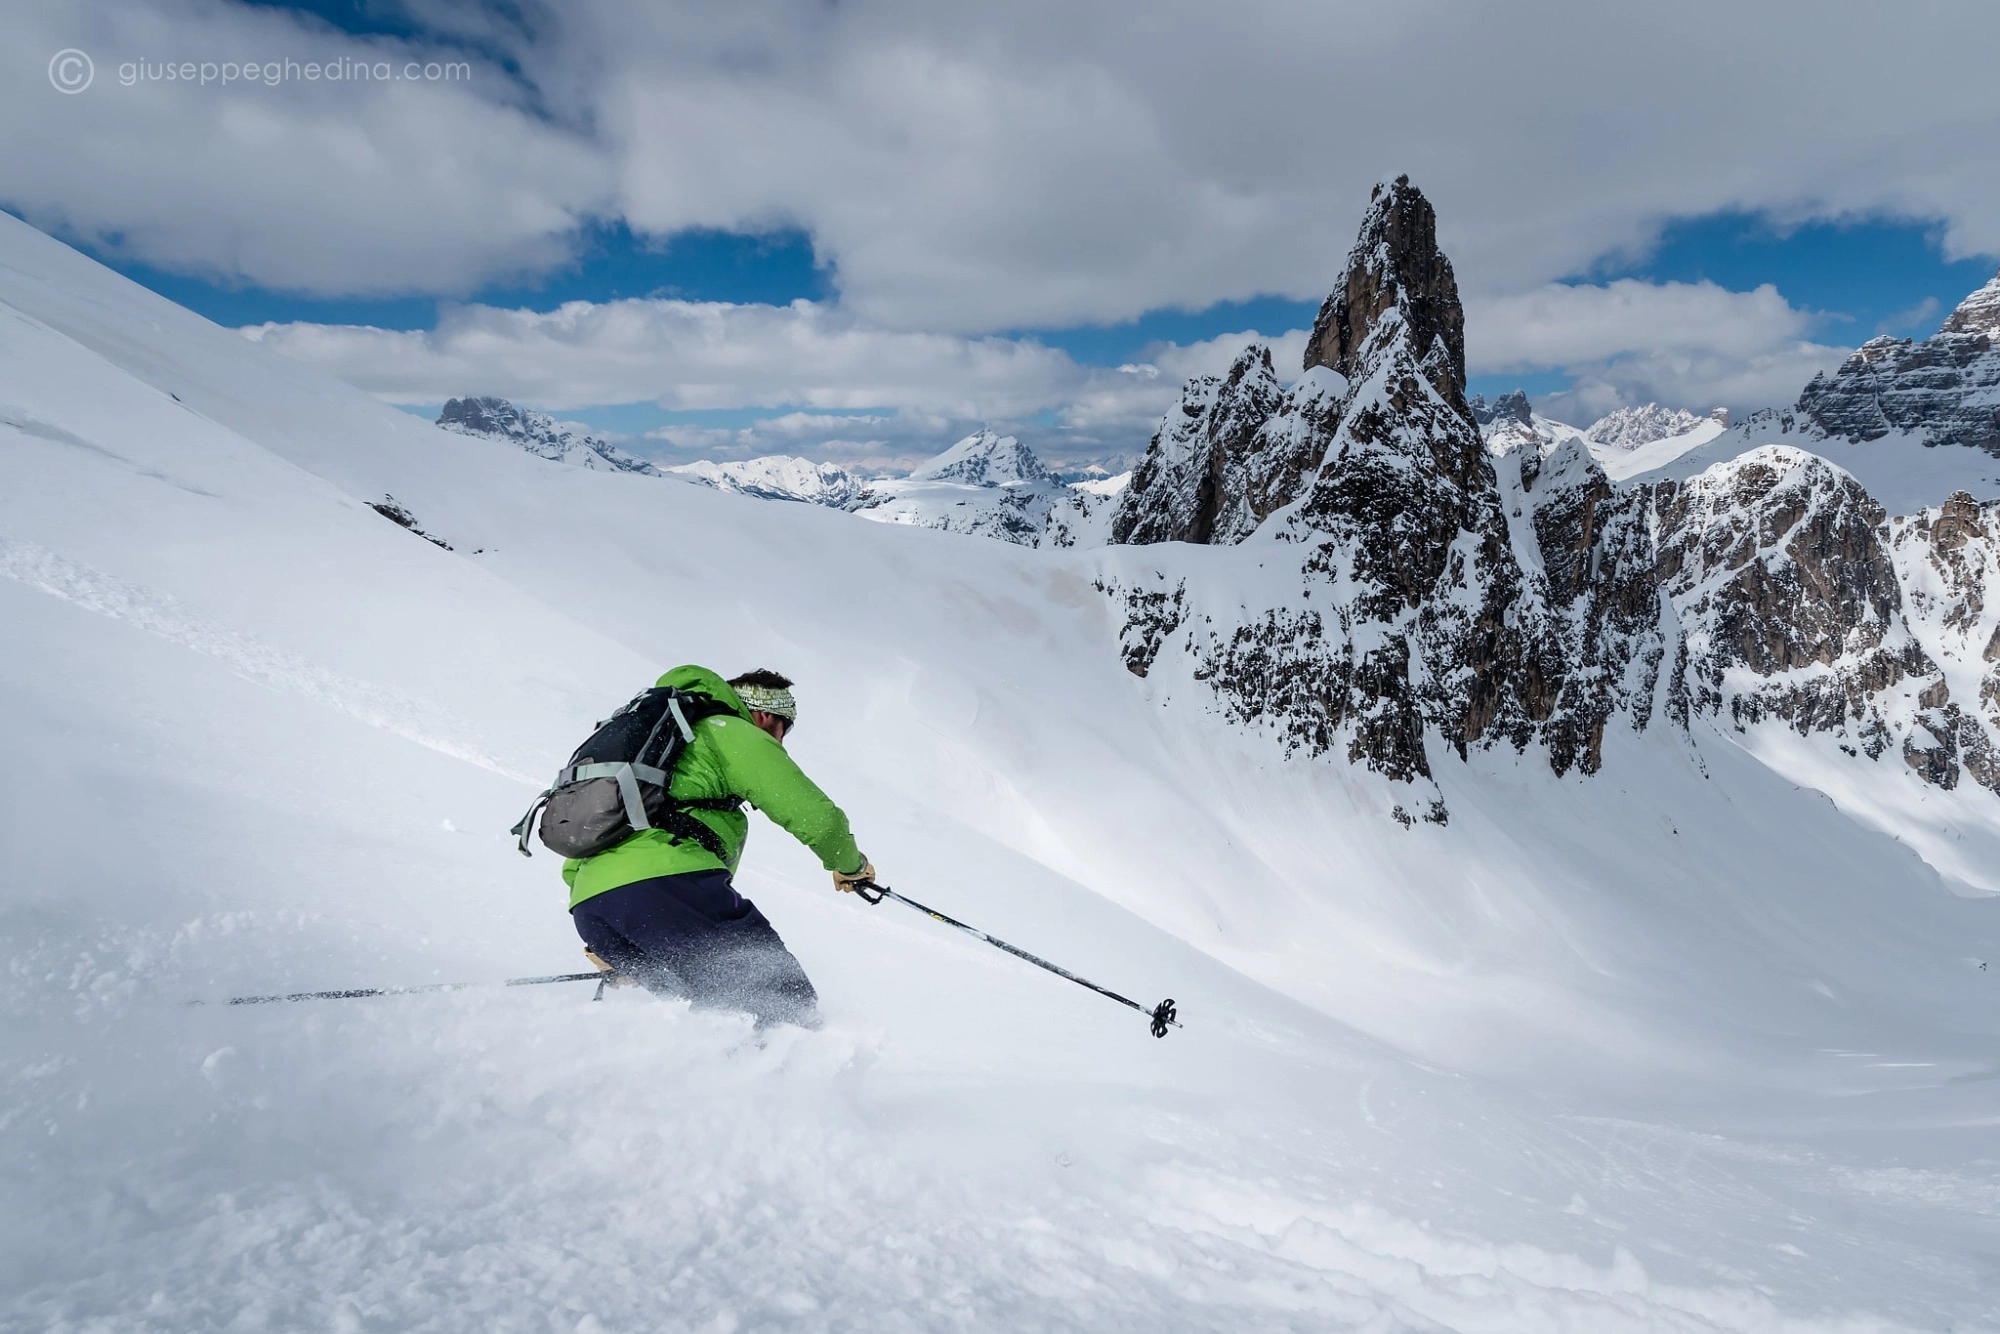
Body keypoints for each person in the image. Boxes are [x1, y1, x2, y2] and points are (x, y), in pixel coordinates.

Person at [562, 665, 875, 1028]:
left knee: (712, 1019)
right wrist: (850, 865)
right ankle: (801, 1063)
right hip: (665, 890)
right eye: (784, 727)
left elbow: (588, 837)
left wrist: (615, 934)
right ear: (764, 715)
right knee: (785, 1003)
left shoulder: (659, 745)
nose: (781, 740)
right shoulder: (729, 731)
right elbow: (815, 816)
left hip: (592, 909)